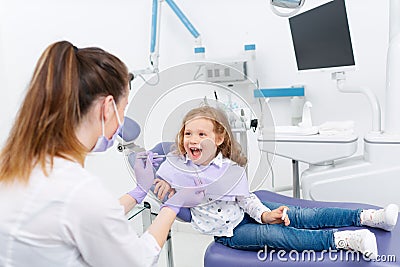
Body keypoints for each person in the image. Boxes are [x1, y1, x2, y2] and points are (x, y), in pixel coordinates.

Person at [0, 40, 202, 267]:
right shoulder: (79, 191)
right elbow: (137, 260)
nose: (123, 120)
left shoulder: (18, 167)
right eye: (123, 109)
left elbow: (89, 220)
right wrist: (175, 203)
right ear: (107, 108)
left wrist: (139, 191)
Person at [152, 105, 399, 260]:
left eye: (201, 134)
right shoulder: (178, 165)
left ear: (219, 139)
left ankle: (366, 217)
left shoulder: (228, 168)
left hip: (245, 211)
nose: (193, 140)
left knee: (304, 215)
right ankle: (344, 240)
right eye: (188, 133)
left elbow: (245, 199)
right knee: (280, 236)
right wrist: (163, 181)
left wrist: (264, 214)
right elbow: (158, 169)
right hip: (230, 233)